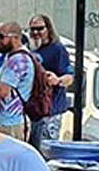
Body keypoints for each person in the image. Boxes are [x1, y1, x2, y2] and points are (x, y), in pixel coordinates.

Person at [0, 21, 34, 141]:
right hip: (6, 121)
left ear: (15, 38)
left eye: (1, 36)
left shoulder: (17, 60)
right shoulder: (12, 57)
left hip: (9, 123)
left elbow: (3, 91)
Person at [27, 15, 72, 150]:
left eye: (40, 28)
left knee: (46, 150)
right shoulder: (31, 49)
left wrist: (57, 80)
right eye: (33, 29)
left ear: (48, 29)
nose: (36, 32)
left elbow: (70, 77)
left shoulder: (57, 49)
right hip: (33, 110)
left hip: (51, 110)